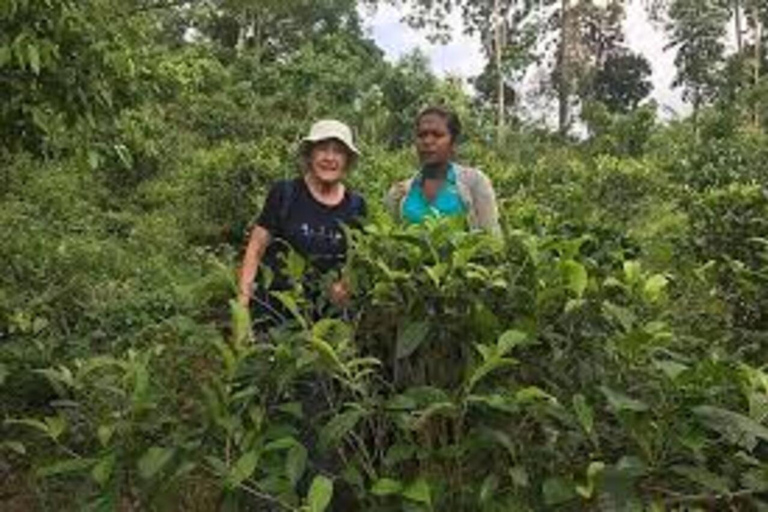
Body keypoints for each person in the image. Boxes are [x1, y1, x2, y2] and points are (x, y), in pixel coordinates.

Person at [238, 119, 366, 324]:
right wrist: (242, 305)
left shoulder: (356, 205)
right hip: (273, 315)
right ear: (310, 154)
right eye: (322, 149)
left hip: (324, 321)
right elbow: (256, 247)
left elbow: (355, 260)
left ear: (347, 160)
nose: (330, 158)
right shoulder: (285, 193)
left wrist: (345, 287)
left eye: (338, 151)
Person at [385, 106, 501, 235]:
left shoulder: (475, 182)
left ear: (453, 142)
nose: (428, 141)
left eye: (437, 135)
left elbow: (491, 240)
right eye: (421, 135)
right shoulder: (399, 193)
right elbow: (392, 244)